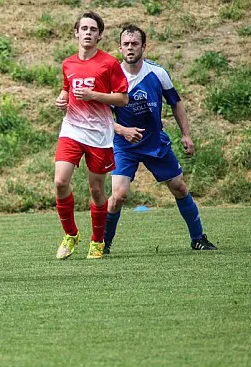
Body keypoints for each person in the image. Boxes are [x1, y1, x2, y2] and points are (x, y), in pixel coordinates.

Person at [103, 24, 217, 254]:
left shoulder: (158, 73)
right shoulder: (110, 76)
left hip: (155, 142)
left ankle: (198, 238)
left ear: (144, 46)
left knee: (179, 187)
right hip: (125, 145)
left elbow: (176, 103)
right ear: (119, 47)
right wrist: (123, 130)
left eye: (135, 44)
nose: (130, 48)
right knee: (118, 196)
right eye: (126, 44)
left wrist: (186, 134)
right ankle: (102, 244)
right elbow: (101, 117)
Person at [54, 12, 129, 260]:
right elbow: (67, 90)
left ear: (99, 35)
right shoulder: (68, 64)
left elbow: (122, 99)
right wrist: (62, 100)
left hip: (99, 135)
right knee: (60, 181)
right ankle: (71, 234)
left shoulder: (109, 64)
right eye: (84, 28)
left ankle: (97, 241)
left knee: (96, 190)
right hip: (72, 129)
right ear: (76, 32)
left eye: (93, 29)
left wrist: (95, 95)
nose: (88, 33)